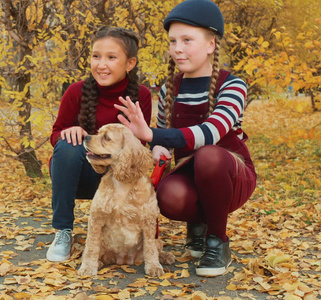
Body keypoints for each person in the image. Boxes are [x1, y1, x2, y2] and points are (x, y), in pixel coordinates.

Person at [115, 0, 257, 277]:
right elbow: (164, 137)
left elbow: (211, 132)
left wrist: (151, 134)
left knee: (208, 154)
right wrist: (157, 147)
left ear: (211, 44)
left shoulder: (233, 85)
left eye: (187, 40)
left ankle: (218, 241)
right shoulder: (171, 87)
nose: (177, 48)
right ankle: (198, 223)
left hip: (231, 173)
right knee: (169, 196)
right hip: (189, 172)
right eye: (173, 41)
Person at [47, 26, 153, 262]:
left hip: (119, 178)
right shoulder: (75, 92)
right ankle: (63, 231)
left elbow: (139, 148)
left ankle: (126, 230)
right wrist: (68, 132)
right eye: (96, 56)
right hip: (83, 175)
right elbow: (55, 135)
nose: (101, 64)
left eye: (111, 57)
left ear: (130, 63)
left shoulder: (142, 96)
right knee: (67, 145)